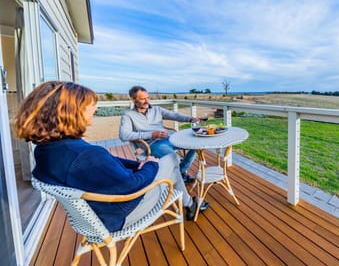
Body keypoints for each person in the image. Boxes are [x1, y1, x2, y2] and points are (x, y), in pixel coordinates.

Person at [15, 81, 208, 232]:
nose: (95, 110)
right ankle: (190, 203)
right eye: (89, 106)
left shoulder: (46, 150)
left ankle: (189, 201)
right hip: (122, 213)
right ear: (69, 112)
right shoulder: (85, 155)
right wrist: (149, 165)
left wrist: (137, 165)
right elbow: (131, 184)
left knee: (181, 151)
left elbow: (108, 163)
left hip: (99, 212)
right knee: (172, 160)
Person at [119, 85, 202, 184]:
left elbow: (174, 115)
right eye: (142, 99)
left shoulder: (157, 109)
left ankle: (180, 172)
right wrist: (151, 134)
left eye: (148, 97)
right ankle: (179, 175)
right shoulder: (128, 115)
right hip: (153, 145)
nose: (147, 101)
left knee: (198, 144)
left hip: (170, 138)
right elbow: (123, 135)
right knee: (174, 157)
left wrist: (191, 119)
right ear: (133, 99)